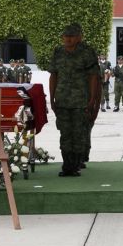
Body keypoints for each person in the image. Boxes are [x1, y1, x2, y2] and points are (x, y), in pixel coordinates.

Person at [48, 23, 99, 177]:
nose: (68, 39)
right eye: (66, 36)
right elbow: (53, 75)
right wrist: (52, 97)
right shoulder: (58, 52)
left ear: (79, 37)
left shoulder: (87, 52)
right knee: (65, 133)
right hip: (62, 100)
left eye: (71, 36)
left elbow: (93, 77)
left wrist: (92, 99)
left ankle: (76, 165)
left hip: (80, 100)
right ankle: (67, 165)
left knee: (78, 134)